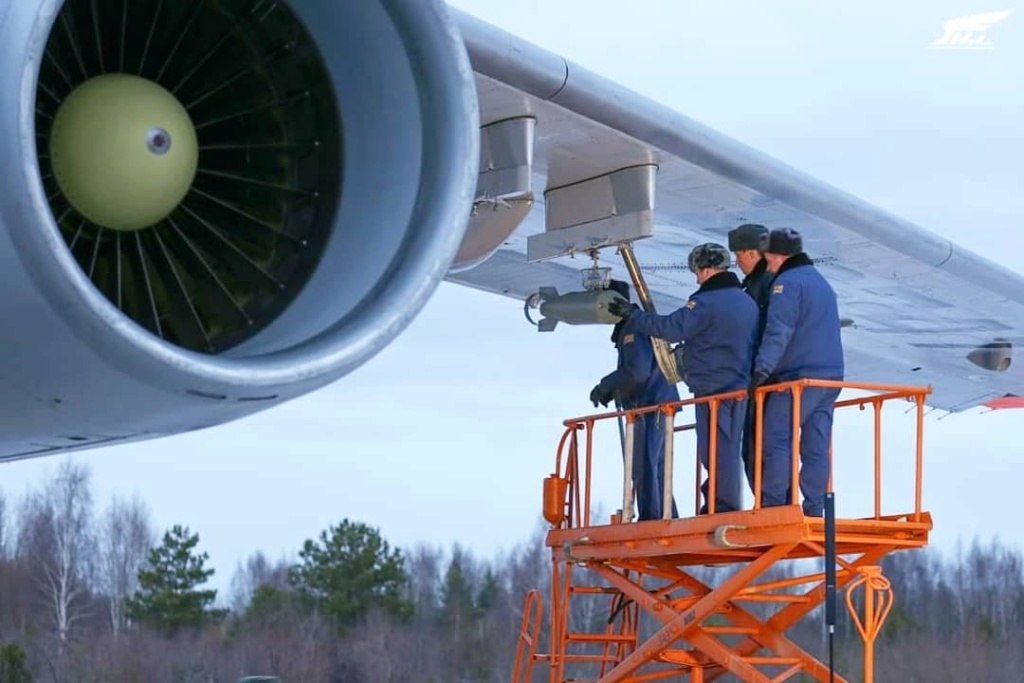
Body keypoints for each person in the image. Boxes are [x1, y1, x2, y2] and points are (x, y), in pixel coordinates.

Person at [608, 244, 758, 514]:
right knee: (727, 448)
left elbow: (670, 328)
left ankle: (722, 507)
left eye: (698, 272)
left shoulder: (706, 302)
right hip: (739, 387)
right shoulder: (746, 302)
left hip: (713, 389)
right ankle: (721, 503)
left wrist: (634, 315)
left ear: (708, 270)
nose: (696, 278)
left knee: (714, 451)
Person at [749, 228, 844, 517]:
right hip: (831, 377)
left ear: (779, 255)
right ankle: (816, 506)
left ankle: (774, 505)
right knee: (816, 443)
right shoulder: (821, 282)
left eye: (769, 258)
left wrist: (760, 372)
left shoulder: (786, 284)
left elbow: (779, 331)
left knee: (776, 438)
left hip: (798, 379)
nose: (767, 264)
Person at [590, 280, 681, 521]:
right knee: (656, 467)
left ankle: (652, 518)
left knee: (644, 465)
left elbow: (637, 372)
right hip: (658, 404)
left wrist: (606, 385)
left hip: (651, 406)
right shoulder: (634, 327)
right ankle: (665, 516)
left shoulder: (632, 330)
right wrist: (614, 389)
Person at [727, 223, 775, 493]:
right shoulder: (763, 282)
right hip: (765, 377)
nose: (736, 261)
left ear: (753, 253)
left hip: (763, 379)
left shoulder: (763, 285)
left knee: (758, 446)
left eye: (739, 254)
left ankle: (768, 502)